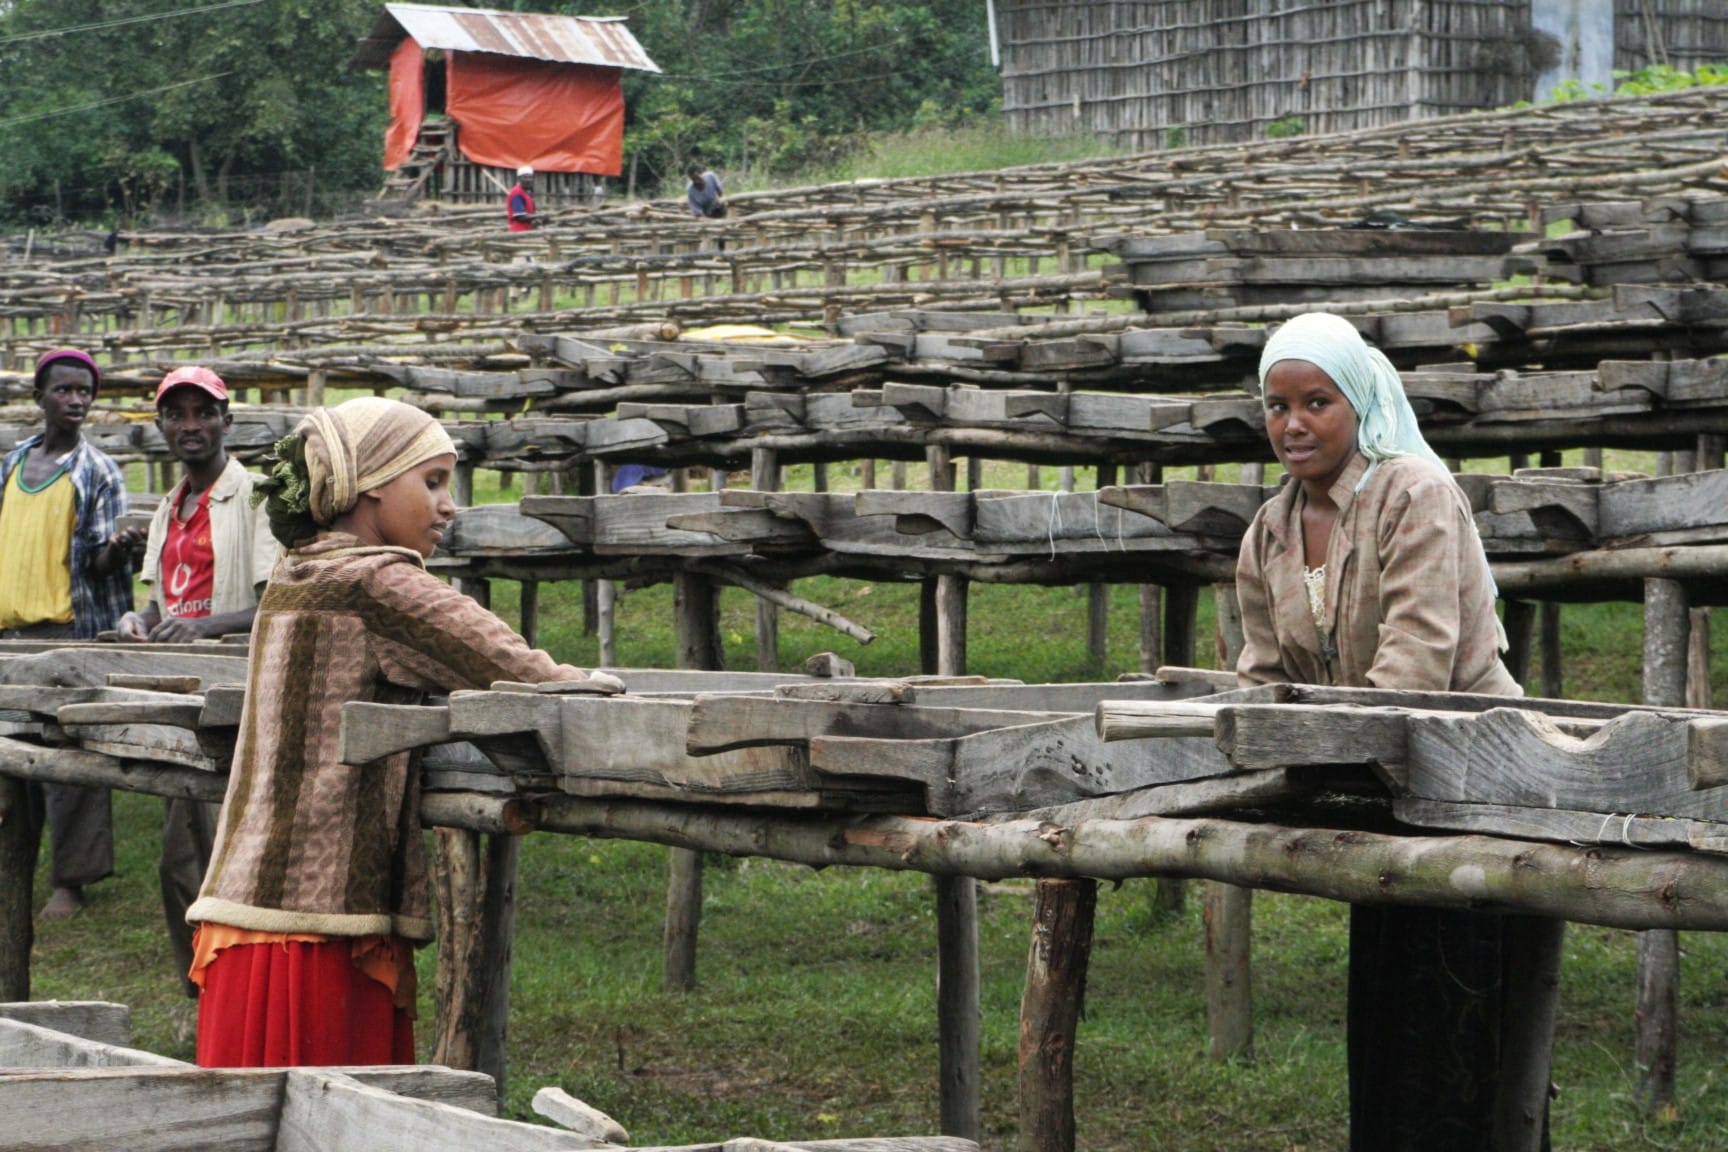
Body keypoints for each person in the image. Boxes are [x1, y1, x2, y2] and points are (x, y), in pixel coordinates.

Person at [186, 397, 621, 1067]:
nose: (449, 506)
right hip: (318, 926)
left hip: (245, 905)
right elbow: (524, 673)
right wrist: (599, 685)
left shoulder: (295, 574)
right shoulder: (377, 582)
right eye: (433, 481)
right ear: (371, 485)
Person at [1234, 311, 1556, 1151]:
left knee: (1466, 1026)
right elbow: (1264, 677)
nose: (1294, 424)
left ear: (1360, 402)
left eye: (1317, 403)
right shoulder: (1270, 529)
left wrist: (1314, 751)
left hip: (1475, 791)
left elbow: (1415, 668)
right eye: (1276, 406)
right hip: (1377, 791)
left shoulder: (1413, 494)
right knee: (1392, 1027)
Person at [117, 366, 279, 996]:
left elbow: (274, 604)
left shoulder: (255, 496)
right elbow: (160, 602)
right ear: (161, 427)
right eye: (177, 414)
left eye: (203, 412)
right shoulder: (170, 505)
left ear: (225, 422)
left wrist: (204, 628)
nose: (191, 425)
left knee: (213, 851)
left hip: (234, 693)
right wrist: (139, 619)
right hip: (178, 693)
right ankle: (210, 988)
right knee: (184, 854)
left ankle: (229, 988)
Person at [0, 349, 141, 919]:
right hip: (10, 633)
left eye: (85, 391)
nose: (76, 400)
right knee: (11, 753)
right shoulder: (10, 465)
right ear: (40, 397)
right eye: (64, 390)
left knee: (69, 756)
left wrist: (118, 550)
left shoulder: (98, 472)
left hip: (67, 631)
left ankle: (71, 881)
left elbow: (100, 566)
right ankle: (15, 859)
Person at [506, 165, 539, 232]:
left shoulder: (527, 192)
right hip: (519, 230)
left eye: (530, 177)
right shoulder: (517, 192)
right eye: (525, 177)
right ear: (519, 178)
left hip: (527, 229)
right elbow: (520, 216)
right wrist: (539, 216)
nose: (528, 180)